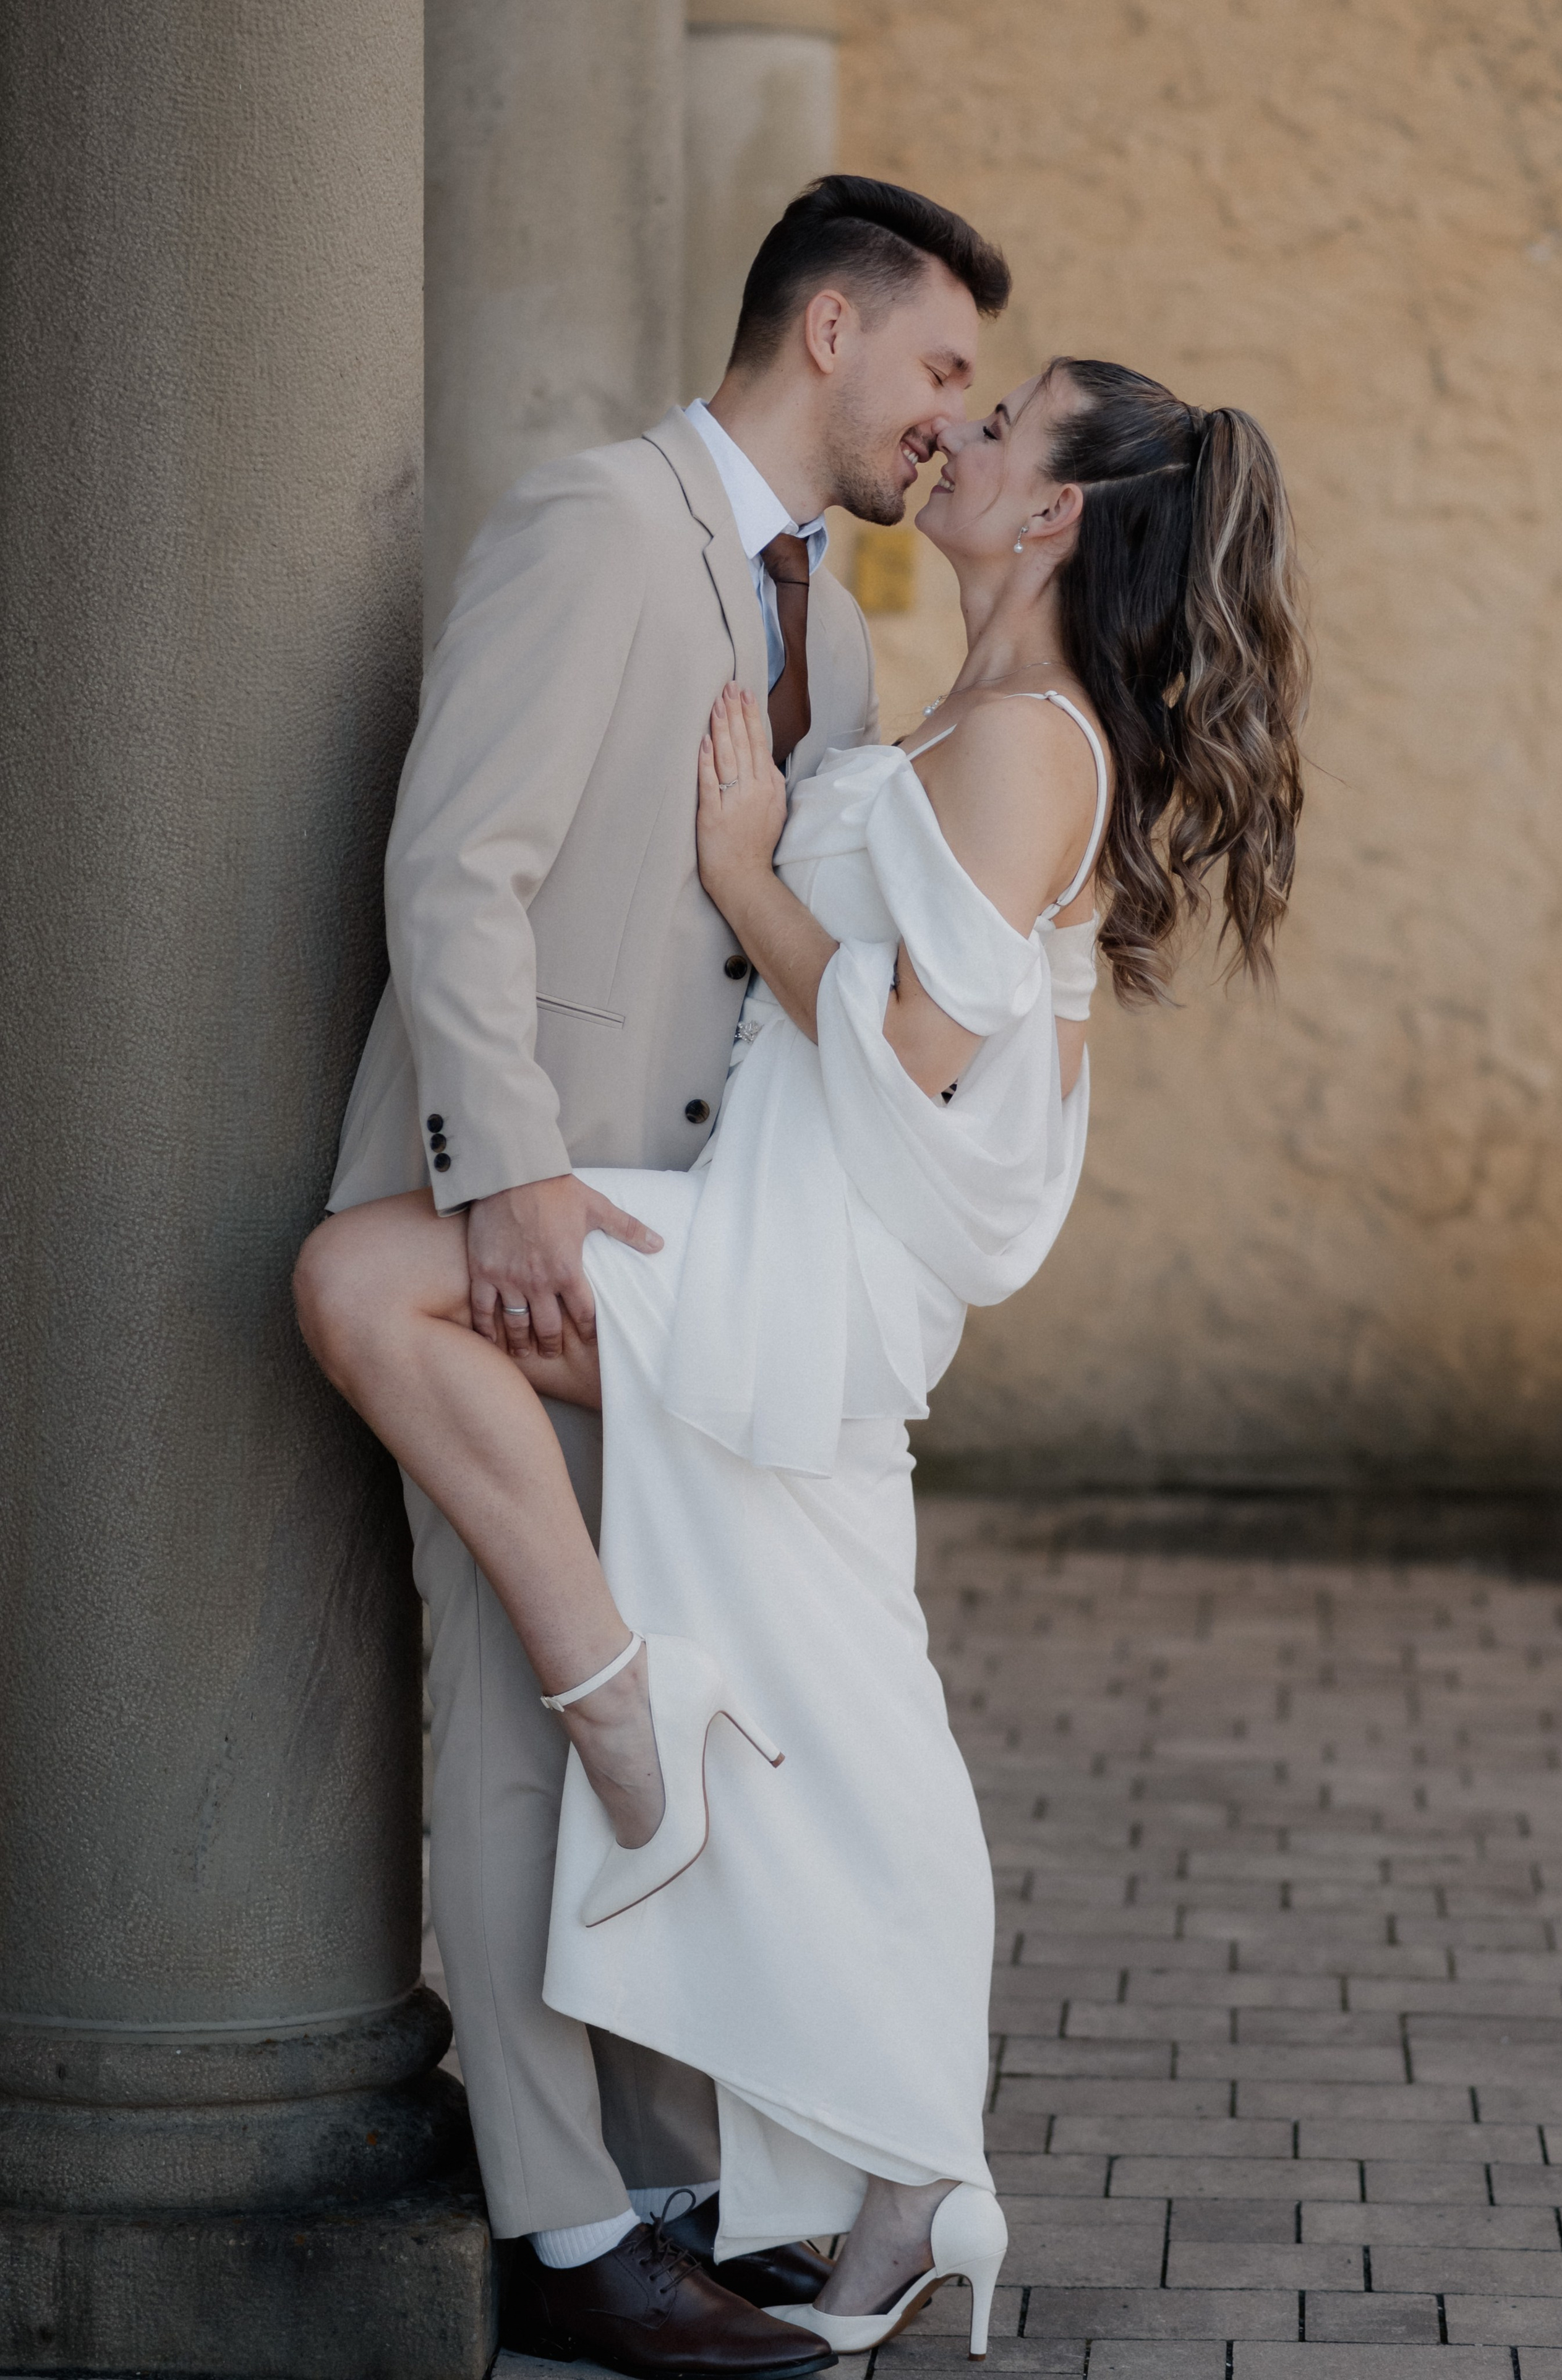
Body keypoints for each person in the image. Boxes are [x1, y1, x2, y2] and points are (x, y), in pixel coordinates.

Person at [298, 342, 1308, 2361]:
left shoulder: (1035, 738)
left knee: (360, 1282)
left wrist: (750, 866)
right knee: (854, 1724)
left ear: (1056, 515)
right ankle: (915, 2181)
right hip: (776, 1228)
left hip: (800, 1256)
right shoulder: (969, 703)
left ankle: (613, 1706)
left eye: (1003, 420)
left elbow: (924, 1056)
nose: (966, 431)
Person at [296, 177, 1013, 2376]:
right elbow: (459, 861)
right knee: (527, 1718)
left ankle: (677, 2170)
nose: (950, 420)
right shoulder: (603, 526)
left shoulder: (847, 628)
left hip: (692, 1271)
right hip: (514, 1242)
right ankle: (566, 2227)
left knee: (658, 1704)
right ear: (826, 327)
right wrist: (500, 1174)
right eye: (942, 370)